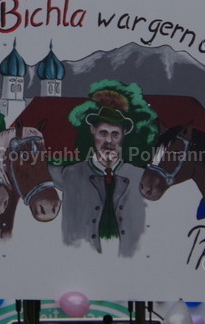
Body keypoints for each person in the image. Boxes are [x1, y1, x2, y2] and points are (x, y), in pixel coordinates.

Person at [50, 94, 147, 257]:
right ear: (93, 131)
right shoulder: (70, 174)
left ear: (123, 135)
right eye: (103, 133)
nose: (109, 141)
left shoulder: (139, 176)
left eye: (115, 134)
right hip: (79, 259)